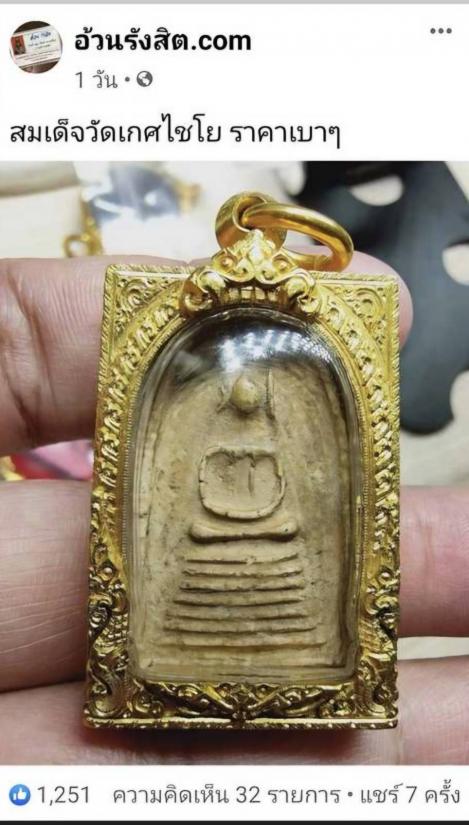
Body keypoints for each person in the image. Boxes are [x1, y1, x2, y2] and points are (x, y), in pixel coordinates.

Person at [0, 251, 467, 764]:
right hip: (210, 531)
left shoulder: (278, 423)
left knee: (285, 530)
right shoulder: (210, 424)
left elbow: (279, 488)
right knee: (202, 535)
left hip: (271, 529)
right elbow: (207, 485)